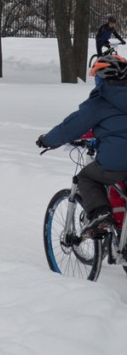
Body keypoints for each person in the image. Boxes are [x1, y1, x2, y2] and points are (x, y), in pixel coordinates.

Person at [38, 55, 127, 237]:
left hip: (116, 163)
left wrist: (47, 140)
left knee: (86, 177)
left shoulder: (100, 102)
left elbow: (70, 127)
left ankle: (100, 214)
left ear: (101, 78)